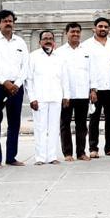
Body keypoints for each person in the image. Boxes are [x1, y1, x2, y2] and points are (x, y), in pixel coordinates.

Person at [0, 9, 29, 168]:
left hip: (16, 86)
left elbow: (26, 66)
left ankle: (11, 157)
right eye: (5, 21)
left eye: (10, 21)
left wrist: (16, 83)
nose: (8, 23)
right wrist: (5, 82)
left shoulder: (20, 42)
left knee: (15, 122)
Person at [26, 31, 68, 165]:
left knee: (54, 128)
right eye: (45, 39)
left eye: (50, 38)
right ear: (40, 42)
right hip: (40, 98)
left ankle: (52, 156)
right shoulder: (33, 57)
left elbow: (65, 78)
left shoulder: (60, 57)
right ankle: (40, 157)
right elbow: (29, 79)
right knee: (40, 128)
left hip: (56, 97)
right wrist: (32, 98)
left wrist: (66, 96)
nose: (48, 40)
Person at [86, 17, 110, 157]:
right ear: (94, 28)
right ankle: (93, 148)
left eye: (105, 27)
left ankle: (109, 147)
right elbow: (86, 69)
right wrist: (91, 89)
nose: (103, 29)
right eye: (100, 26)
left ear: (109, 29)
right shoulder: (87, 45)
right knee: (94, 119)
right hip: (95, 89)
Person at [55, 22, 91, 161]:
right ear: (66, 33)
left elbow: (91, 71)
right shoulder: (59, 53)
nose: (75, 34)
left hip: (82, 93)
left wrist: (92, 90)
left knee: (82, 124)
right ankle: (68, 153)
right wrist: (63, 94)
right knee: (65, 123)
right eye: (72, 32)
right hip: (66, 95)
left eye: (77, 32)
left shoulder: (86, 50)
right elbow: (58, 76)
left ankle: (81, 152)